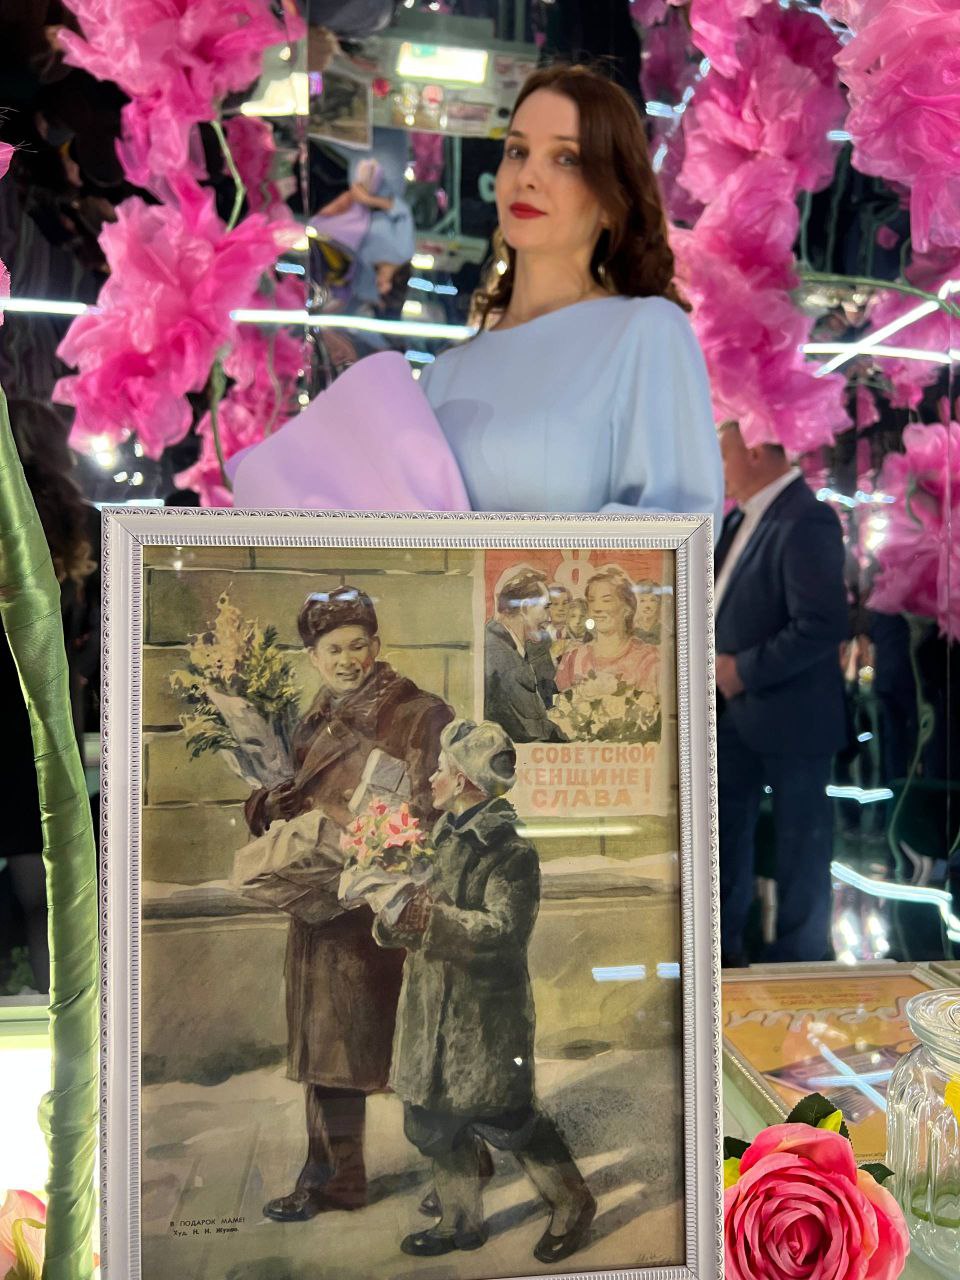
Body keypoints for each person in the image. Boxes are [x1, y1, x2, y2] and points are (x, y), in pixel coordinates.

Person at [419, 64, 723, 530]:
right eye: (517, 151)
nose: (528, 176)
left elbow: (679, 536)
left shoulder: (646, 332)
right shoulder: (442, 376)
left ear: (612, 201)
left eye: (566, 158)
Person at [243, 585, 454, 1220]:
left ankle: (459, 1167)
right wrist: (271, 805)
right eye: (332, 650)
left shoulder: (417, 712)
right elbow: (278, 798)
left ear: (376, 646)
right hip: (320, 907)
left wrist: (377, 846)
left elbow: (438, 805)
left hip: (383, 909)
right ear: (313, 657)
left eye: (357, 646)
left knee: (413, 1047)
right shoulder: (309, 717)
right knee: (326, 1052)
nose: (347, 660)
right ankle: (335, 1178)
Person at [375, 718, 596, 1264]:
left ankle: (572, 1202)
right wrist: (393, 916)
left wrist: (432, 919)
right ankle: (461, 1222)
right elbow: (412, 905)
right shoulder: (439, 835)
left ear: (464, 780)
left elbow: (504, 931)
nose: (431, 777)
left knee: (509, 1119)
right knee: (433, 1119)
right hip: (430, 1005)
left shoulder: (511, 852)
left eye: (441, 769)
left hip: (483, 1019)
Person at [714, 423, 849, 966]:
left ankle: (801, 963)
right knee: (725, 838)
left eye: (722, 452)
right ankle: (722, 955)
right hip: (732, 714)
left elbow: (821, 623)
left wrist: (743, 670)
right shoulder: (737, 518)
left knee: (800, 847)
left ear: (753, 450)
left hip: (792, 716)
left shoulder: (806, 517)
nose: (718, 466)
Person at [0, 398, 98, 995]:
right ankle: (60, 1015)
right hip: (41, 713)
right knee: (44, 889)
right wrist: (77, 676)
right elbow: (100, 630)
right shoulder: (77, 521)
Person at [484, 568, 565, 743]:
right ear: (525, 608)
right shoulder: (504, 658)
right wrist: (567, 728)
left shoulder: (500, 642)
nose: (549, 618)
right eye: (545, 608)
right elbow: (529, 730)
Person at [556, 565, 658, 695]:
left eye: (606, 600)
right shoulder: (574, 658)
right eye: (591, 600)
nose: (596, 608)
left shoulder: (648, 660)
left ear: (627, 608)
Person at [633, 579, 662, 645]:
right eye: (642, 600)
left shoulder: (664, 631)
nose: (647, 606)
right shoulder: (630, 631)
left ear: (659, 602)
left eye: (652, 600)